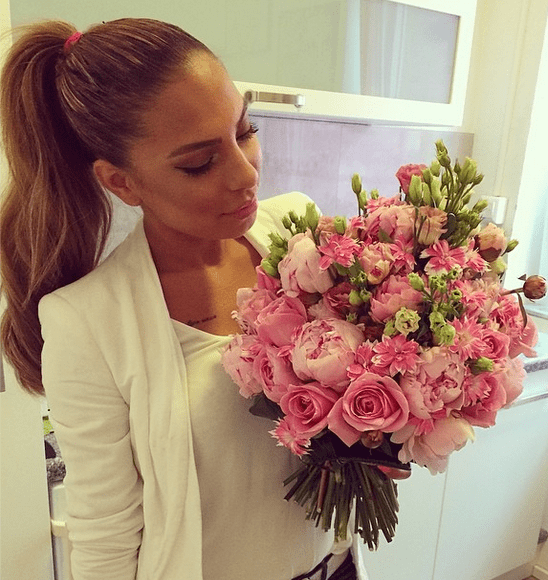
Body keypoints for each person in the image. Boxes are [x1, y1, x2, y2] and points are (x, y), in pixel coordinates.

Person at [0, 18, 368, 580]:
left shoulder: (301, 236)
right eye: (199, 162)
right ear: (121, 182)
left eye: (245, 131)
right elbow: (104, 536)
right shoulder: (87, 320)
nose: (246, 174)